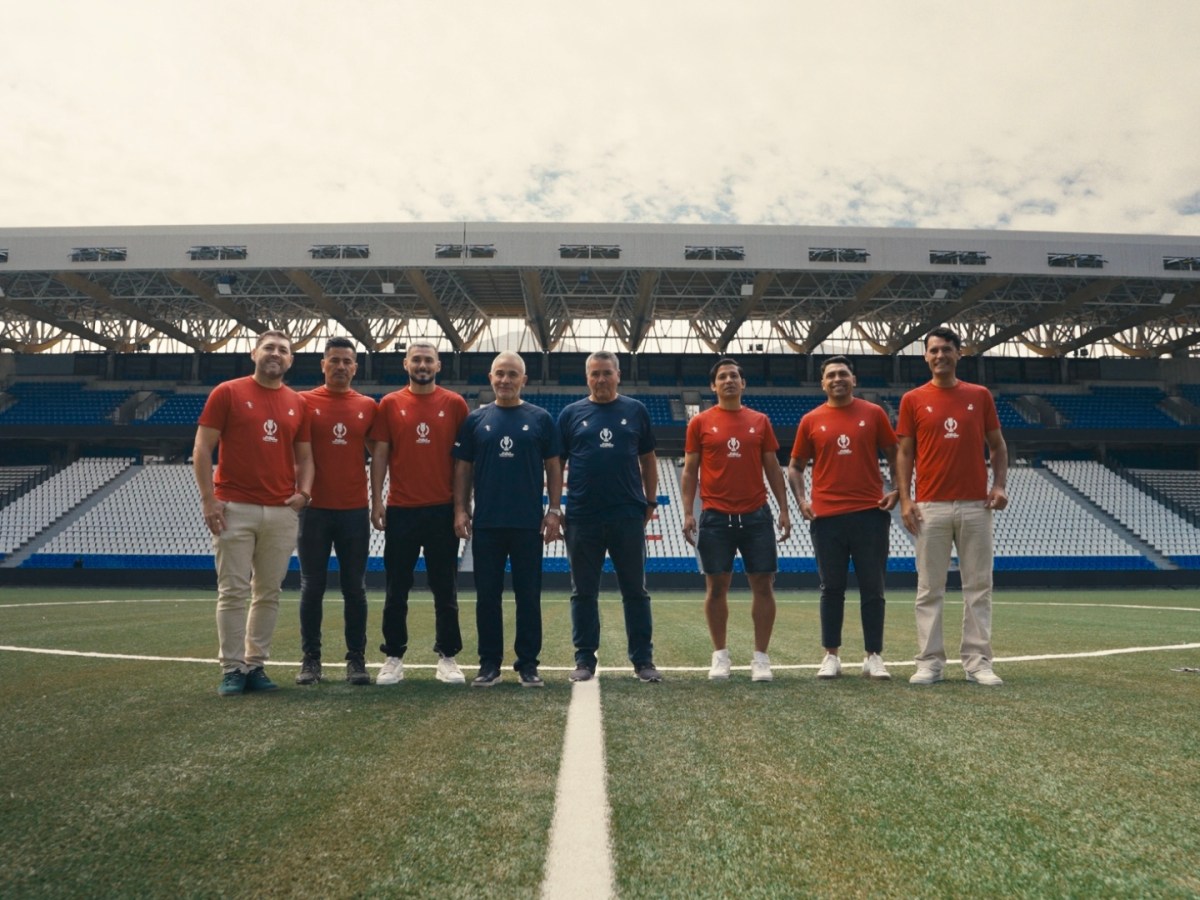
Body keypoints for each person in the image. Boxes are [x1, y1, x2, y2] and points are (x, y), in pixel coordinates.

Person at [193, 329, 313, 697]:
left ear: (291, 360)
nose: (276, 354)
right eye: (269, 348)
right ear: (254, 353)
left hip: (280, 511)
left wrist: (303, 493)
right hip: (235, 507)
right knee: (232, 591)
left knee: (269, 593)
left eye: (283, 350)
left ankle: (255, 664)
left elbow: (305, 456)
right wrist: (209, 499)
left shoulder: (298, 403)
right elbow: (202, 447)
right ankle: (232, 668)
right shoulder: (228, 392)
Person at [896, 326, 1009, 686]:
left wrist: (1000, 485)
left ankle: (978, 662)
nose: (940, 356)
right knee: (929, 588)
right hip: (930, 505)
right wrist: (906, 498)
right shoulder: (912, 399)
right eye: (933, 350)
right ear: (925, 356)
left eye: (947, 349)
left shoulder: (980, 395)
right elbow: (905, 453)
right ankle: (929, 662)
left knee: (978, 585)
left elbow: (998, 446)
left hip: (977, 504)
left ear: (959, 354)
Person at [453, 351, 563, 687]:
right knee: (488, 597)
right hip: (486, 524)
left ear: (523, 380)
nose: (505, 380)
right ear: (490, 378)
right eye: (500, 373)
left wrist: (554, 510)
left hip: (528, 523)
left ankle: (528, 664)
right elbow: (463, 468)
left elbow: (554, 466)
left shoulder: (541, 418)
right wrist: (460, 508)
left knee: (528, 596)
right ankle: (489, 665)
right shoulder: (475, 420)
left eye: (512, 374)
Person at [788, 355, 899, 681]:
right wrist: (801, 498)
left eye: (843, 373)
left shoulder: (874, 414)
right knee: (831, 588)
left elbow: (897, 455)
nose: (837, 379)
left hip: (870, 513)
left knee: (873, 587)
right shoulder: (811, 420)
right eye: (831, 375)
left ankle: (873, 656)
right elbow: (794, 466)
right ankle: (831, 655)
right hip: (826, 517)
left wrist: (899, 491)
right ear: (823, 383)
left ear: (854, 379)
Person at [681, 357, 791, 682]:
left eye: (734, 376)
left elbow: (772, 467)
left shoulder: (760, 421)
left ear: (743, 384)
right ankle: (720, 656)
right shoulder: (699, 423)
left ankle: (761, 658)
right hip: (715, 515)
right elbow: (689, 471)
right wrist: (689, 512)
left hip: (756, 515)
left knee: (764, 585)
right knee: (716, 588)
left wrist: (784, 509)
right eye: (722, 377)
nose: (729, 380)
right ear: (713, 386)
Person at [370, 341, 470, 685]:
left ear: (438, 365)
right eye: (417, 360)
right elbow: (380, 454)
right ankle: (393, 657)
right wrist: (377, 501)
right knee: (396, 588)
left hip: (442, 510)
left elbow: (463, 462)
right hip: (401, 510)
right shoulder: (390, 404)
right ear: (406, 364)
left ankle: (448, 657)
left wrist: (460, 508)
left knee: (446, 588)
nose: (423, 365)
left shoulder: (454, 404)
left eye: (429, 360)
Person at [558, 350, 661, 683]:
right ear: (586, 377)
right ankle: (585, 659)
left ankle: (643, 661)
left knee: (635, 591)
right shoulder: (570, 414)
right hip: (582, 516)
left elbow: (648, 459)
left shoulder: (636, 411)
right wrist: (555, 507)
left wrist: (649, 501)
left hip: (626, 515)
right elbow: (556, 464)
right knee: (583, 592)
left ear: (618, 374)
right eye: (594, 374)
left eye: (606, 373)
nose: (600, 379)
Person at [294, 337, 378, 686]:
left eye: (347, 361)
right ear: (323, 364)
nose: (341, 366)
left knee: (354, 589)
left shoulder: (369, 406)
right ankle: (310, 660)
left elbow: (381, 454)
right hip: (313, 511)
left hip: (354, 510)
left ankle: (356, 660)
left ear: (355, 367)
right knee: (311, 587)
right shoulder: (302, 403)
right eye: (335, 360)